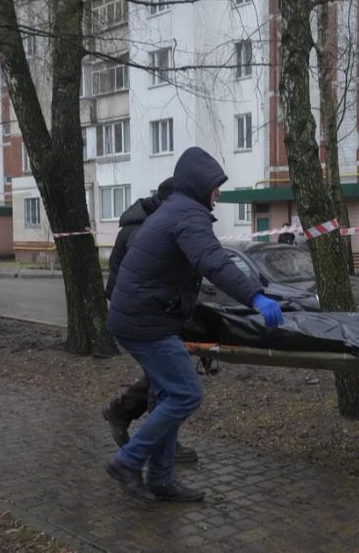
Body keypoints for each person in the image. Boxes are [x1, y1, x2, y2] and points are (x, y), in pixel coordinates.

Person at [104, 147, 284, 503]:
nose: (218, 193)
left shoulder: (178, 210)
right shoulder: (188, 215)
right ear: (201, 184)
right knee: (187, 392)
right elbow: (212, 261)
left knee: (171, 394)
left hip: (142, 316)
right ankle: (128, 461)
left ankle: (160, 479)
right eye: (216, 186)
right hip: (146, 322)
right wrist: (255, 297)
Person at [101, 178, 198, 464]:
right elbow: (153, 277)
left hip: (147, 311)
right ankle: (158, 445)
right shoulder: (146, 231)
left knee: (163, 375)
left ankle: (122, 413)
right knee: (167, 382)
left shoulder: (148, 224)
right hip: (145, 315)